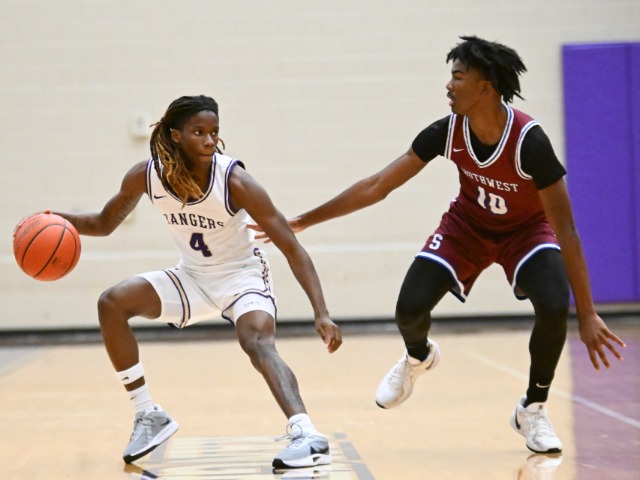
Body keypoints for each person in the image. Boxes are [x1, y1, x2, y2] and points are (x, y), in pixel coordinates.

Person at [251, 36, 625, 454]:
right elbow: (378, 184)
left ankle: (533, 408)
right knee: (409, 309)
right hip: (467, 227)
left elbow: (567, 230)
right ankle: (418, 357)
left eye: (458, 77)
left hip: (526, 232)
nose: (449, 85)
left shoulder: (529, 142)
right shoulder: (447, 131)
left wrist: (587, 313)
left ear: (486, 87)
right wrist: (305, 219)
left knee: (554, 305)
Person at [47, 95, 342, 469]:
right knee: (112, 303)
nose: (209, 140)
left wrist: (321, 312)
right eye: (198, 132)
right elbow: (104, 224)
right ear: (175, 135)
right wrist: (52, 220)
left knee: (255, 341)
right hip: (192, 277)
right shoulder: (146, 175)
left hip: (242, 275)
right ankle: (148, 414)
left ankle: (306, 434)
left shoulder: (235, 181)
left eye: (214, 132)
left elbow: (292, 248)